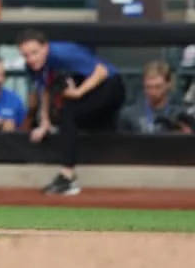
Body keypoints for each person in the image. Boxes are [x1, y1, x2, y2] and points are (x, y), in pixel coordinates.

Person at [17, 29, 126, 196]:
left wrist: (78, 93)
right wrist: (44, 121)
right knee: (67, 114)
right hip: (89, 88)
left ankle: (67, 177)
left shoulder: (62, 54)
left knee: (69, 113)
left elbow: (101, 71)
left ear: (45, 47)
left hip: (110, 85)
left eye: (34, 52)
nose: (31, 58)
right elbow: (45, 87)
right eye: (26, 55)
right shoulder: (32, 66)